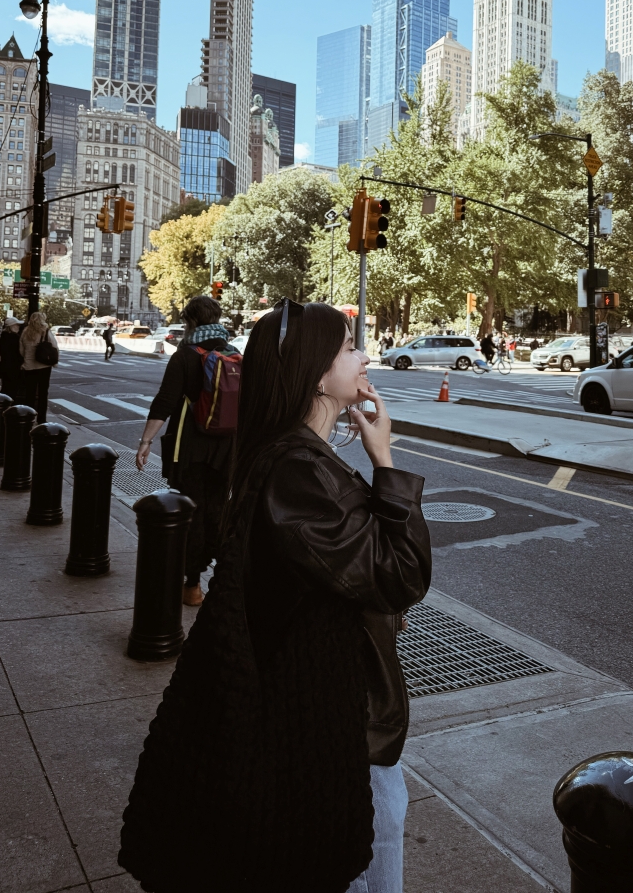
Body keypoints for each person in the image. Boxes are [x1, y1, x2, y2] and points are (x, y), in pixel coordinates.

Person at [119, 300, 431, 893]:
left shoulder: (298, 458)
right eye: (347, 346)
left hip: (332, 709)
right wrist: (386, 463)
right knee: (367, 851)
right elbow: (400, 576)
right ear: (315, 373)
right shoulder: (298, 473)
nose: (363, 355)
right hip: (330, 722)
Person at [135, 296, 238, 607]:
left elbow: (165, 402)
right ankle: (225, 582)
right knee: (219, 513)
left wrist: (145, 442)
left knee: (189, 512)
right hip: (227, 449)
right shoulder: (234, 355)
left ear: (191, 321)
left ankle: (191, 584)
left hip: (189, 448)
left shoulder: (185, 355)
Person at [20, 312, 59, 422]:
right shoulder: (45, 330)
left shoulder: (25, 331)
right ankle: (41, 419)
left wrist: (27, 358)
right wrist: (54, 362)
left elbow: (21, 349)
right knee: (43, 393)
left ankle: (29, 416)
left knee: (30, 393)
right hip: (44, 366)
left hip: (29, 366)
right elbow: (54, 346)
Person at [0, 317, 25, 402]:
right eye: (17, 325)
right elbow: (17, 353)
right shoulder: (13, 337)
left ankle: (3, 405)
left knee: (5, 387)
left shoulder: (4, 336)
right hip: (13, 367)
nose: (19, 327)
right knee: (12, 389)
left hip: (6, 367)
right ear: (12, 326)